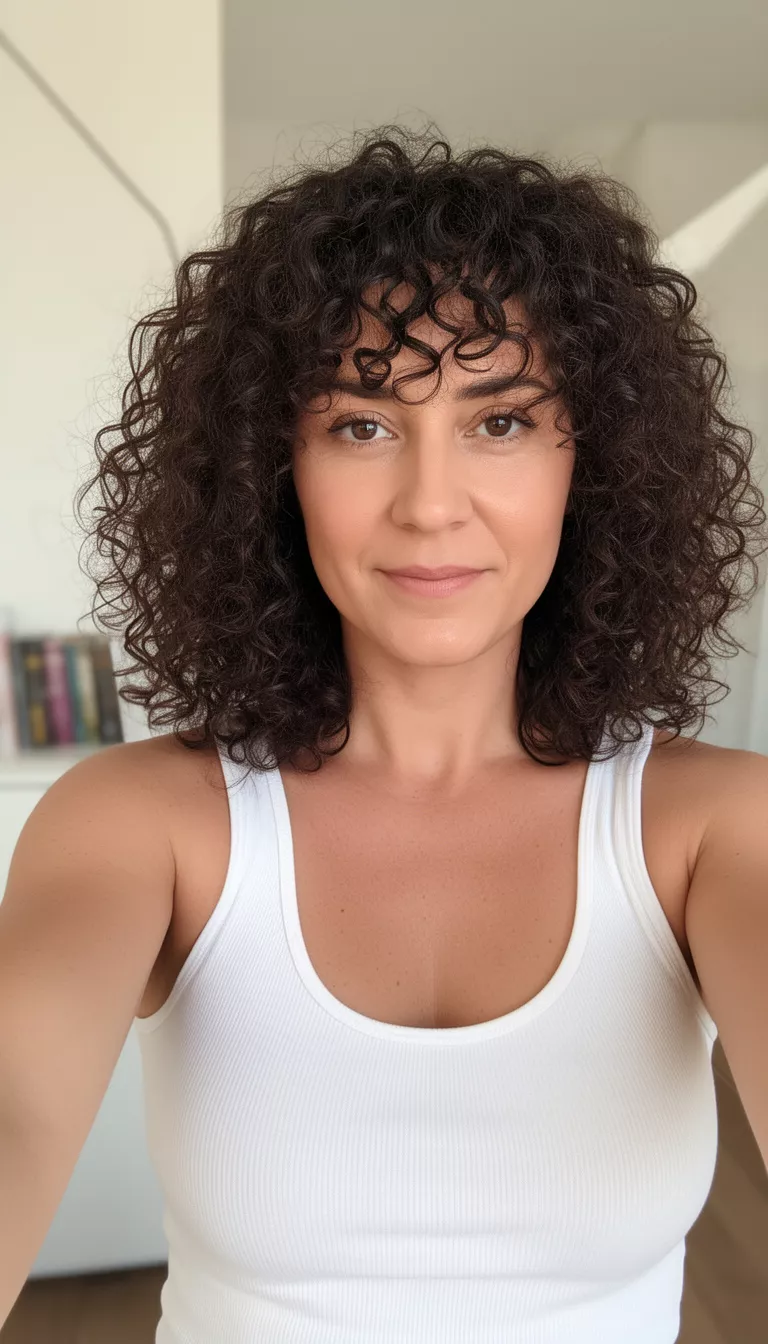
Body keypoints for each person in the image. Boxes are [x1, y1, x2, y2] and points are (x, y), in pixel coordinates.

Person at [2, 124, 767, 1343]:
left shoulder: (710, 829)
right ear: (273, 465)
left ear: (597, 461)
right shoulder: (142, 824)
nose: (429, 502)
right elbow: (15, 1117)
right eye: (362, 424)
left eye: (501, 421)